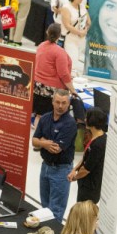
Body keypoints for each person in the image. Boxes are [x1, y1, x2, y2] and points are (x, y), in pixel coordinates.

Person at [33, 90, 78, 221]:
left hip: (61, 170)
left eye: (64, 103)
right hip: (45, 167)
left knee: (55, 212)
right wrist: (45, 143)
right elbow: (33, 141)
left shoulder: (70, 124)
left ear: (68, 104)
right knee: (44, 208)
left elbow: (56, 149)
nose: (60, 106)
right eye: (57, 102)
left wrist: (42, 142)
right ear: (52, 102)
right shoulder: (45, 118)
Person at [33, 24, 84, 123]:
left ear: (47, 32)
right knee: (51, 119)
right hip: (51, 90)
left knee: (39, 116)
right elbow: (63, 74)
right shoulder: (59, 52)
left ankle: (37, 136)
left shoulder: (41, 46)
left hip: (38, 87)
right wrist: (72, 90)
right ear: (59, 35)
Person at [68, 107, 107, 204]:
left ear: (92, 121)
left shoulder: (98, 144)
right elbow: (85, 157)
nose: (85, 120)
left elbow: (86, 169)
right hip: (84, 184)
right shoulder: (94, 137)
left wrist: (75, 177)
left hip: (90, 188)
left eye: (87, 118)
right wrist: (75, 169)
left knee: (83, 215)